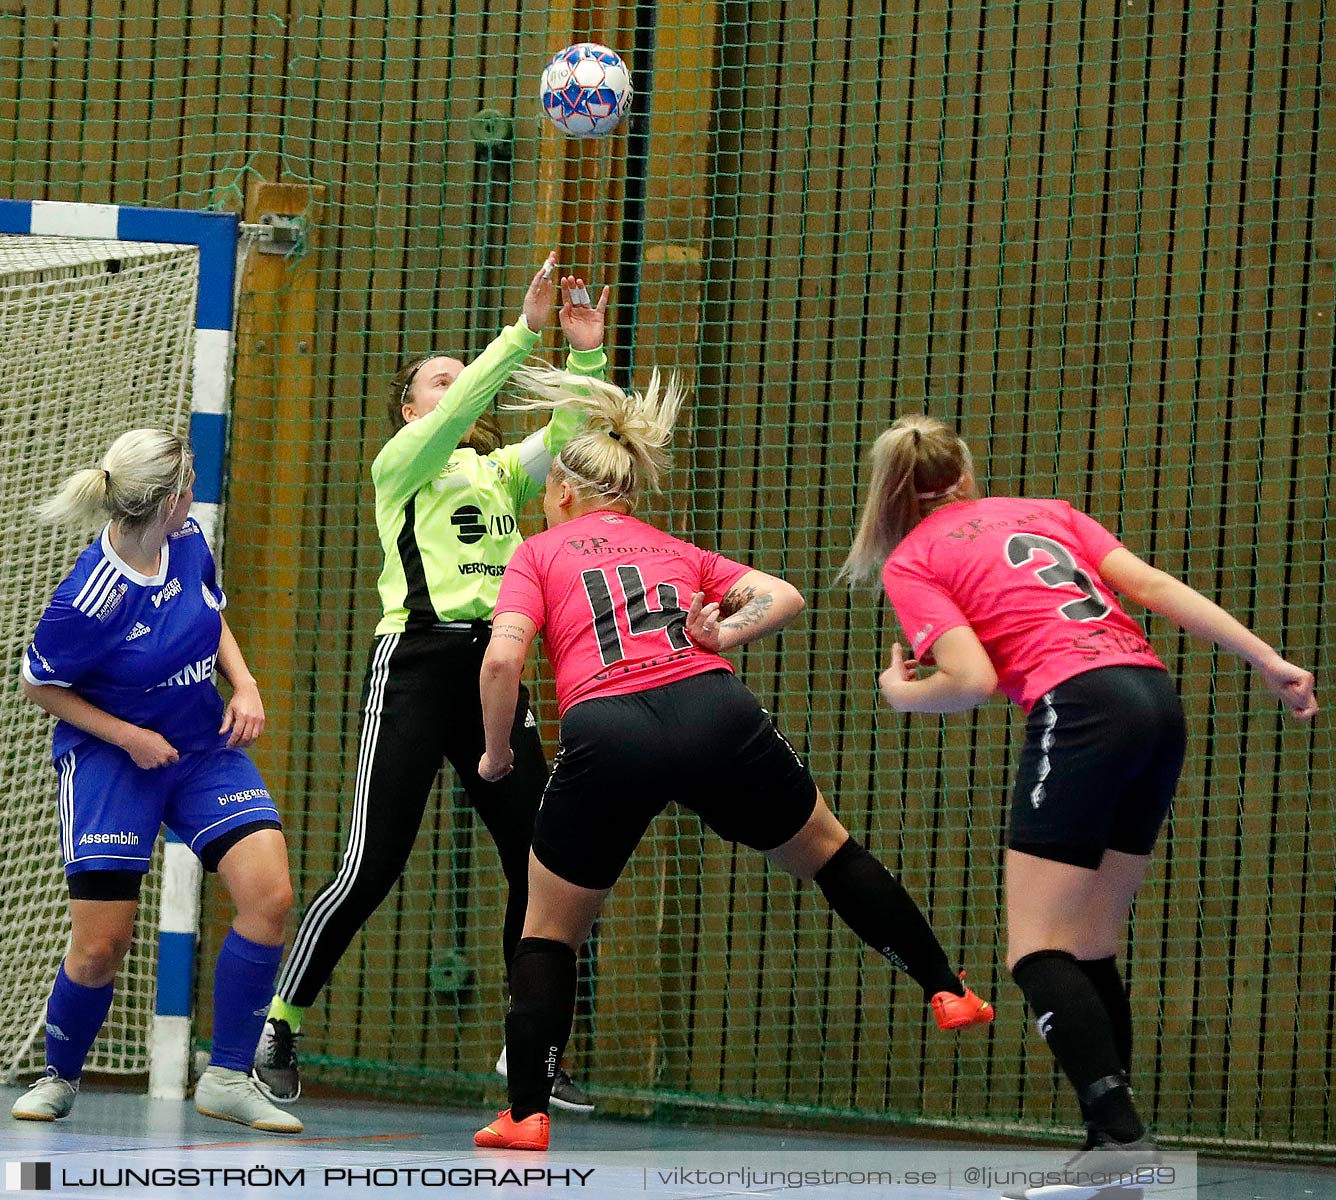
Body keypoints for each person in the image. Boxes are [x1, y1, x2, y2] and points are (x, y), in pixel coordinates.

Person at [471, 370, 994, 1152]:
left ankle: (527, 1114)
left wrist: (496, 753)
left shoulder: (540, 553)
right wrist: (720, 637)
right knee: (828, 850)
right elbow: (781, 595)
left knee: (549, 929)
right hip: (713, 709)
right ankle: (947, 990)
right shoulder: (673, 546)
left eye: (547, 492)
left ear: (570, 496)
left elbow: (501, 664)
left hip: (608, 731)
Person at [839, 414, 1318, 1191]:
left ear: (892, 491)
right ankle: (1114, 1142)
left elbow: (971, 681)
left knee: (1036, 952)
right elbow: (1154, 589)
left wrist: (902, 693)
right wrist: (1267, 658)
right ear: (963, 471)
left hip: (1082, 708)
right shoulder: (1047, 514)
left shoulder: (915, 559)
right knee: (1090, 944)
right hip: (1154, 701)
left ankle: (1118, 1140)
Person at [252, 254, 606, 1110]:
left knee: (543, 860)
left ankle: (531, 1053)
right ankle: (281, 1024)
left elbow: (576, 437)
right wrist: (522, 333)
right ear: (413, 409)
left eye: (461, 374)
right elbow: (463, 406)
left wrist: (583, 353)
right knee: (371, 862)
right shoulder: (400, 464)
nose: (457, 385)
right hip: (412, 663)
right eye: (438, 380)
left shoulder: (496, 473)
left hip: (494, 668)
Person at [13, 429, 301, 1134]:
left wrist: (245, 683)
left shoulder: (189, 539)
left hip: (203, 745)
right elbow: (38, 684)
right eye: (191, 482)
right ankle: (60, 1075)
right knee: (102, 945)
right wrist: (127, 737)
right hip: (116, 758)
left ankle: (229, 1075)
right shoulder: (89, 597)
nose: (195, 491)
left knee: (271, 898)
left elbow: (211, 612)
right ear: (170, 498)